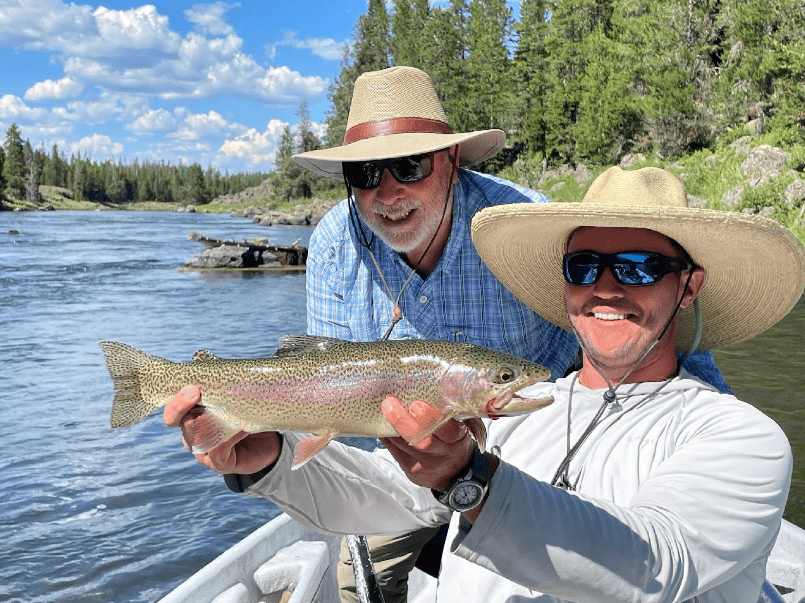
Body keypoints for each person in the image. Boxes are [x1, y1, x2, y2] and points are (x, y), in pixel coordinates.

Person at [163, 67, 732, 600]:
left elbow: (638, 331)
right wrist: (265, 453)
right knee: (357, 577)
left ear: (452, 159)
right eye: (365, 174)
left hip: (536, 446)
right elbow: (322, 380)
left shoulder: (524, 231)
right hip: (400, 458)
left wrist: (707, 429)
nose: (387, 193)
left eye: (410, 166)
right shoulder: (337, 240)